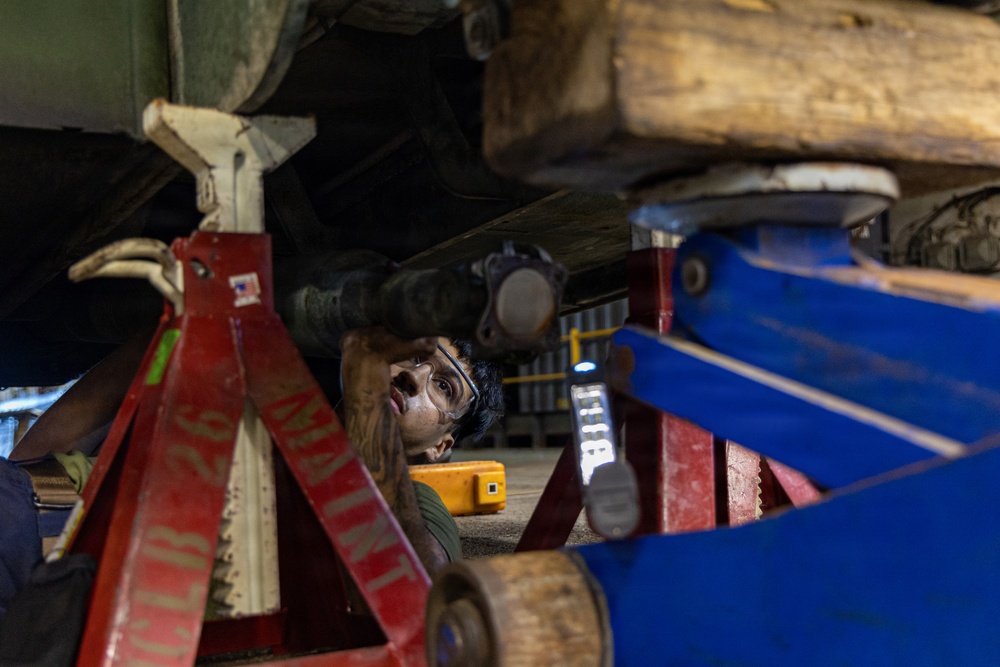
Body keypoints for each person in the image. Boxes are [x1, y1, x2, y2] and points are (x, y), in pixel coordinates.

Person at [1, 325, 503, 616]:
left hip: (76, 580)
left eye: (444, 386)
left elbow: (422, 595)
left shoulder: (416, 506)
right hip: (28, 512)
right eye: (413, 356)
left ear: (442, 447)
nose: (413, 376)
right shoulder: (266, 416)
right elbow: (54, 449)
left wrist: (370, 428)